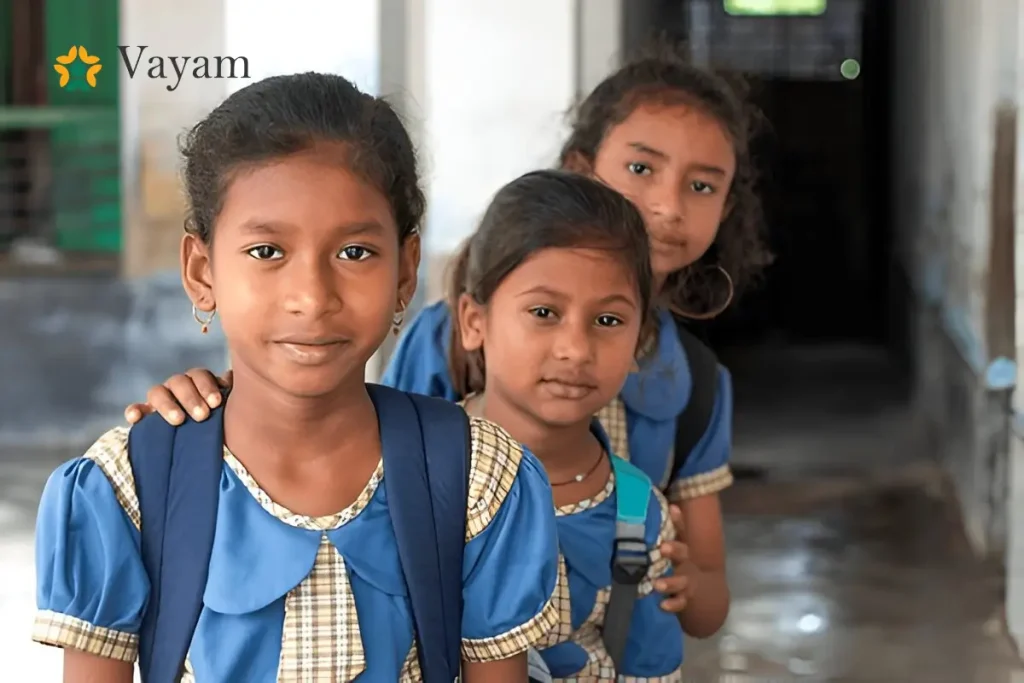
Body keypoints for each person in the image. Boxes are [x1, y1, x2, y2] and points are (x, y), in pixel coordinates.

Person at [124, 43, 769, 643]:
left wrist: (677, 584)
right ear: (474, 323)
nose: (666, 206)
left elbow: (703, 596)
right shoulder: (443, 351)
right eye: (640, 168)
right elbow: (359, 443)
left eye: (702, 184)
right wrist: (229, 401)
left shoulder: (697, 389)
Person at [32, 72, 560, 683]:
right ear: (202, 271)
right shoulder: (125, 490)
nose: (311, 297)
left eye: (355, 252)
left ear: (405, 270)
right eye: (266, 252)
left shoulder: (479, 478)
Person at [438, 168, 690, 678]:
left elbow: (651, 670)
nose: (575, 349)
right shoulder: (413, 468)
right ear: (474, 322)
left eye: (608, 321)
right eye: (544, 312)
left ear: (639, 339)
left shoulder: (638, 515)